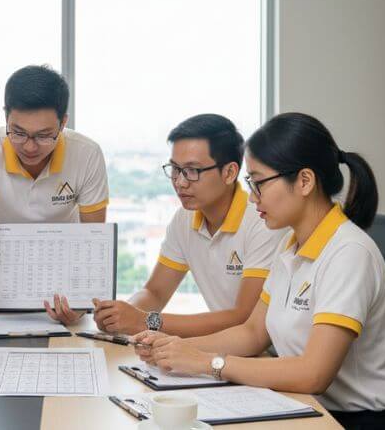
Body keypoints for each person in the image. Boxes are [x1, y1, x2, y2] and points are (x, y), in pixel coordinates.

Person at [134, 113, 385, 430]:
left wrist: (209, 363)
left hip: (363, 421)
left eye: (259, 183)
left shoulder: (348, 253)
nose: (253, 197)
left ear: (305, 182)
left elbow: (314, 374)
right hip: (306, 404)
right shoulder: (291, 245)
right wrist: (176, 348)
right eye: (250, 184)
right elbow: (253, 333)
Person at [0, 65, 109, 344]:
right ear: (6, 117)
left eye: (44, 135)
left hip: (63, 282)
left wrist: (81, 302)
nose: (30, 147)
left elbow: (92, 237)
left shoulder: (87, 154)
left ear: (63, 122)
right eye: (18, 132)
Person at [93, 114, 284, 336]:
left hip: (269, 353)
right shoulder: (184, 219)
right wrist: (118, 314)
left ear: (230, 172)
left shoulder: (261, 220)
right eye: (175, 169)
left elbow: (243, 316)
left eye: (193, 170)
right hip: (228, 347)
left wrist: (145, 321)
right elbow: (155, 293)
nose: (180, 182)